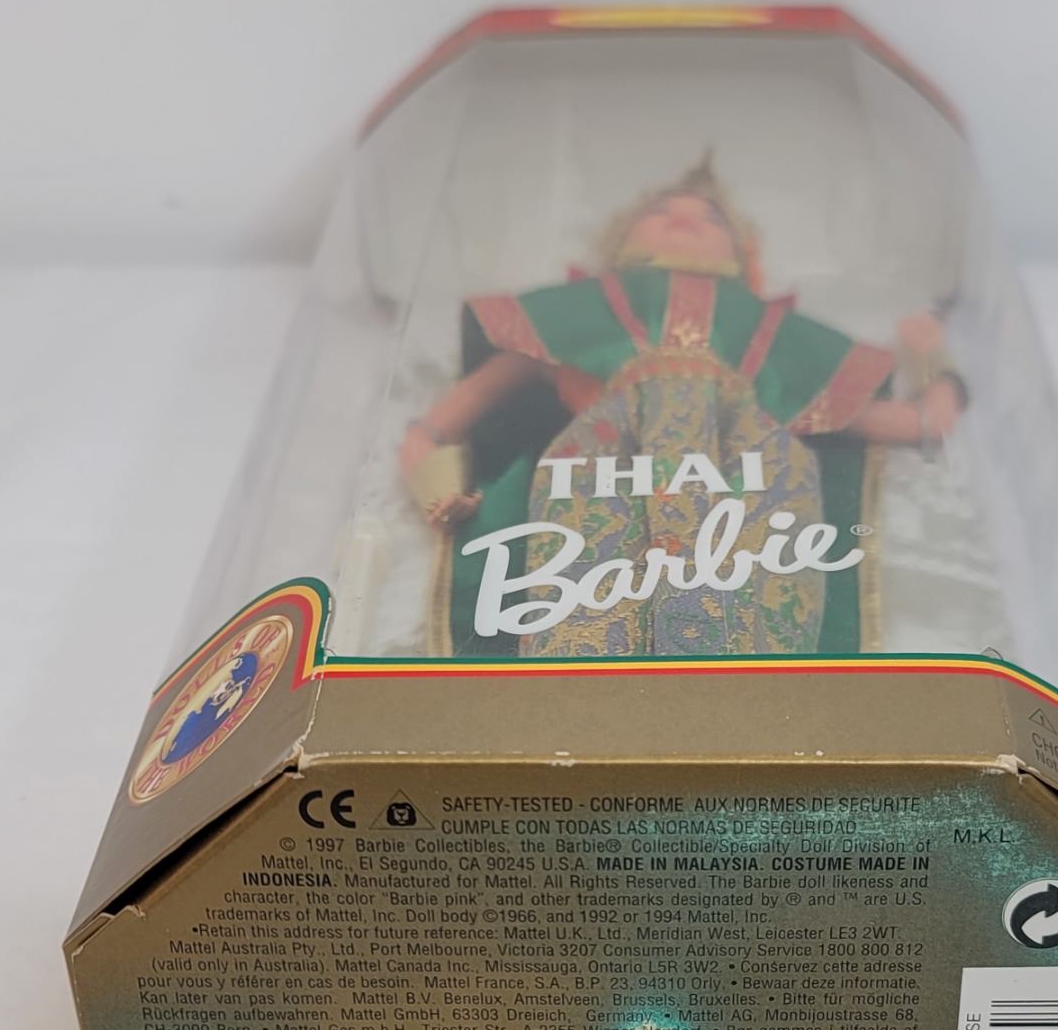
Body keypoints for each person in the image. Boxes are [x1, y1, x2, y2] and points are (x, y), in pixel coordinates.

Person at [399, 158, 966, 657]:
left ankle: (745, 701)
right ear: (622, 239)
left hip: (746, 462)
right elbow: (433, 428)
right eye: (660, 211)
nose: (686, 219)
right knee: (589, 592)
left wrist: (932, 359)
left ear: (743, 253)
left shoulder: (765, 331)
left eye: (713, 219)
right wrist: (436, 487)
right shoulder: (580, 311)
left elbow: (920, 424)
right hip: (605, 462)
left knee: (753, 590)